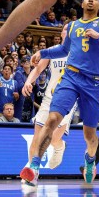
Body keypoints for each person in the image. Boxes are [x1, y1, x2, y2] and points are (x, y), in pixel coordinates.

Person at [21, 0, 99, 185]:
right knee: (52, 119)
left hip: (93, 82)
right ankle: (34, 167)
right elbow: (63, 50)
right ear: (82, 3)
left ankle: (90, 161)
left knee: (89, 134)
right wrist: (42, 52)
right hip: (71, 77)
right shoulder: (73, 26)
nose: (91, 0)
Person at [21, 25, 74, 175]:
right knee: (38, 137)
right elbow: (37, 70)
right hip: (49, 97)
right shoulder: (53, 51)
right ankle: (32, 172)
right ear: (62, 33)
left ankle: (60, 146)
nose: (68, 30)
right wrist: (28, 82)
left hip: (69, 99)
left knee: (52, 138)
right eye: (66, 28)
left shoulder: (80, 52)